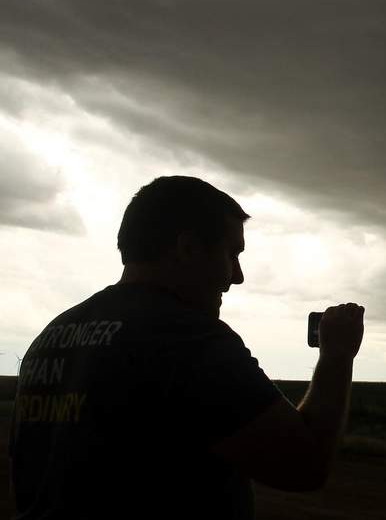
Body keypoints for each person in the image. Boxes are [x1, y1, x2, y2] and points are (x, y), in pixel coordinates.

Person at [8, 175, 365, 518]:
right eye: (231, 254)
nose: (237, 276)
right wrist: (337, 355)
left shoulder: (52, 336)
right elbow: (304, 465)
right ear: (188, 249)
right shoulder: (186, 339)